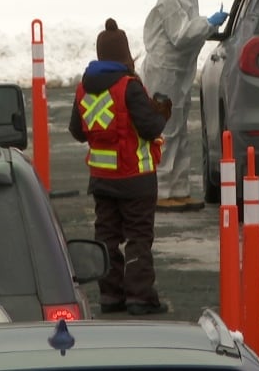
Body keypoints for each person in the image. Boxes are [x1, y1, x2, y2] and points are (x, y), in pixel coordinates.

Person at [69, 18, 172, 316]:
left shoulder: (83, 89)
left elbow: (78, 131)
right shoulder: (129, 87)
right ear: (125, 54)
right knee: (138, 237)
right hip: (135, 178)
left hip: (102, 180)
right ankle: (140, 297)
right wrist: (162, 111)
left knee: (107, 237)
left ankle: (111, 296)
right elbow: (152, 128)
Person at [139, 0, 228, 212]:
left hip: (179, 73)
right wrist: (208, 23)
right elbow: (180, 35)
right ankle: (162, 189)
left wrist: (208, 27)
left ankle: (179, 188)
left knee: (180, 132)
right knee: (166, 131)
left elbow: (191, 33)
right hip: (164, 73)